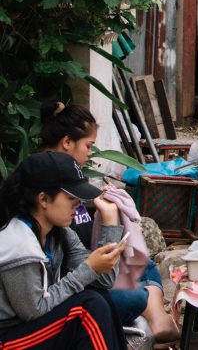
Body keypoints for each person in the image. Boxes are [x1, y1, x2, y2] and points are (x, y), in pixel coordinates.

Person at [38, 104, 179, 342]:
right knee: (127, 296)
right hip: (75, 281)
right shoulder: (47, 186)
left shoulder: (66, 217)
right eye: (88, 146)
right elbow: (38, 305)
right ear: (67, 142)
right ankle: (156, 315)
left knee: (140, 258)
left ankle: (156, 315)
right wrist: (109, 223)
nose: (89, 154)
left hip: (88, 265)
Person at [0, 152, 128, 349]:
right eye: (71, 197)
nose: (77, 204)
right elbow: (33, 310)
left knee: (100, 297)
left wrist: (110, 220)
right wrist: (89, 269)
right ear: (43, 199)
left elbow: (104, 280)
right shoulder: (17, 243)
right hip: (8, 336)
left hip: (32, 329)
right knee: (87, 308)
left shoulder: (61, 234)